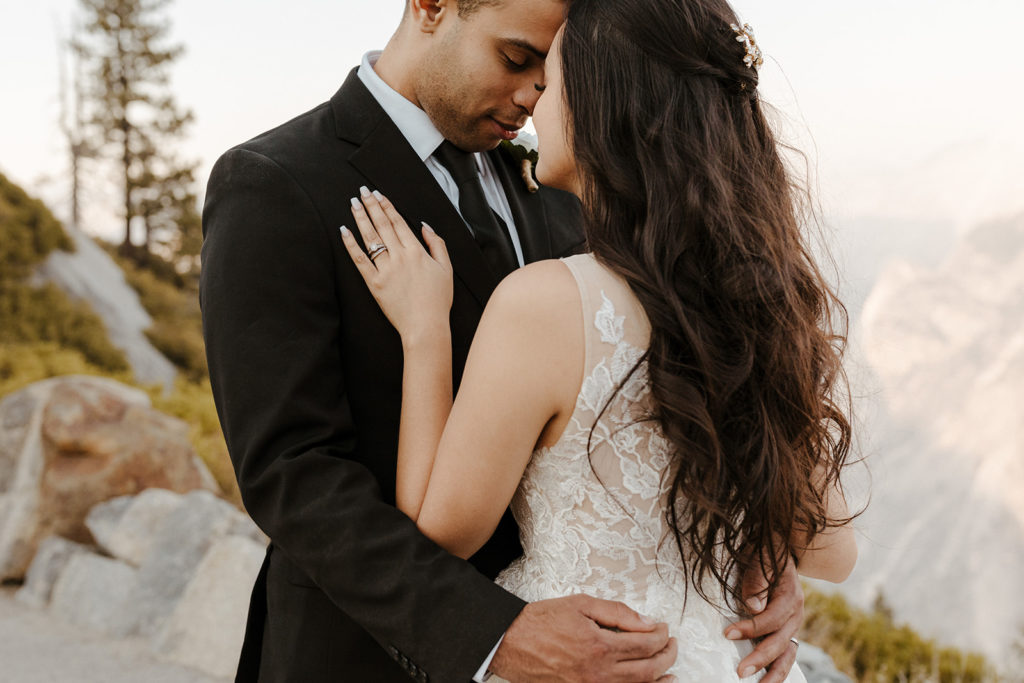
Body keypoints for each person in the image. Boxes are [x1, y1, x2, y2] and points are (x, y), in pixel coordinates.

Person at [201, 0, 806, 680]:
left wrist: (742, 553)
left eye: (551, 73)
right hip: (361, 654)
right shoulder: (275, 183)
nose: (533, 95)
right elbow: (293, 473)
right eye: (517, 59)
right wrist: (492, 633)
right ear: (431, 6)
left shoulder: (562, 181)